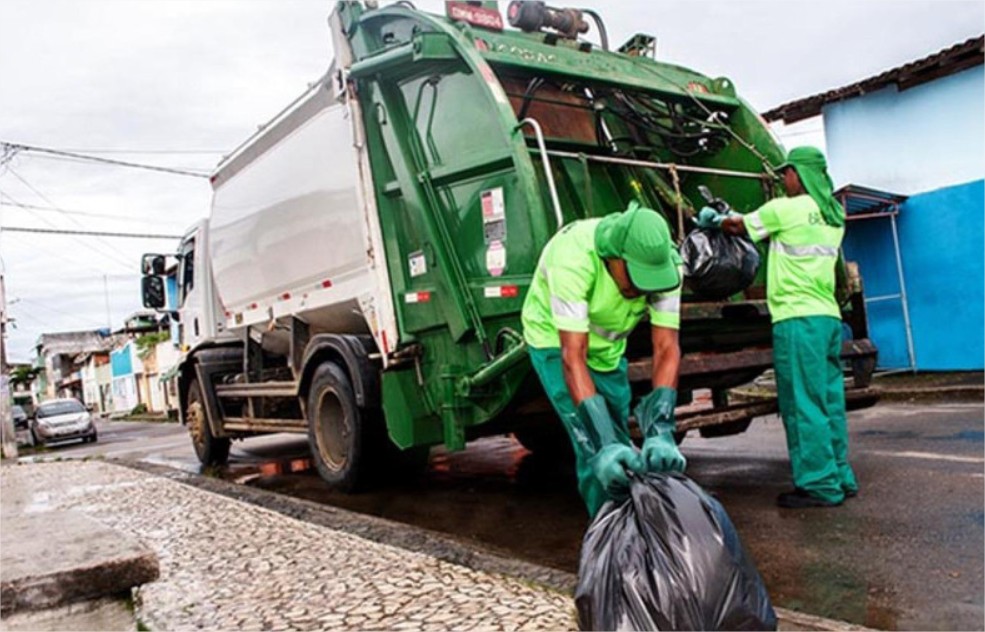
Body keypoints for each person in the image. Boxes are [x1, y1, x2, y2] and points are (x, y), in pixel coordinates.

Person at [697, 146, 858, 508]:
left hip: (797, 320)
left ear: (798, 175)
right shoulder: (833, 213)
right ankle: (840, 476)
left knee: (803, 404)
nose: (782, 178)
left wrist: (713, 219)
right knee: (829, 401)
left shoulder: (786, 209)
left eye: (786, 173)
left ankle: (818, 485)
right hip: (827, 317)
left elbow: (739, 225)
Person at [521, 201, 686, 517]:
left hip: (608, 350)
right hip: (556, 342)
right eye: (635, 278)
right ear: (614, 258)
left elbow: (666, 347)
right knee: (597, 449)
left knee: (619, 441)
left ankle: (631, 523)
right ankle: (614, 541)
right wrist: (603, 441)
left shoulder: (669, 268)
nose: (641, 290)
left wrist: (661, 427)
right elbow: (573, 358)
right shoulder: (572, 259)